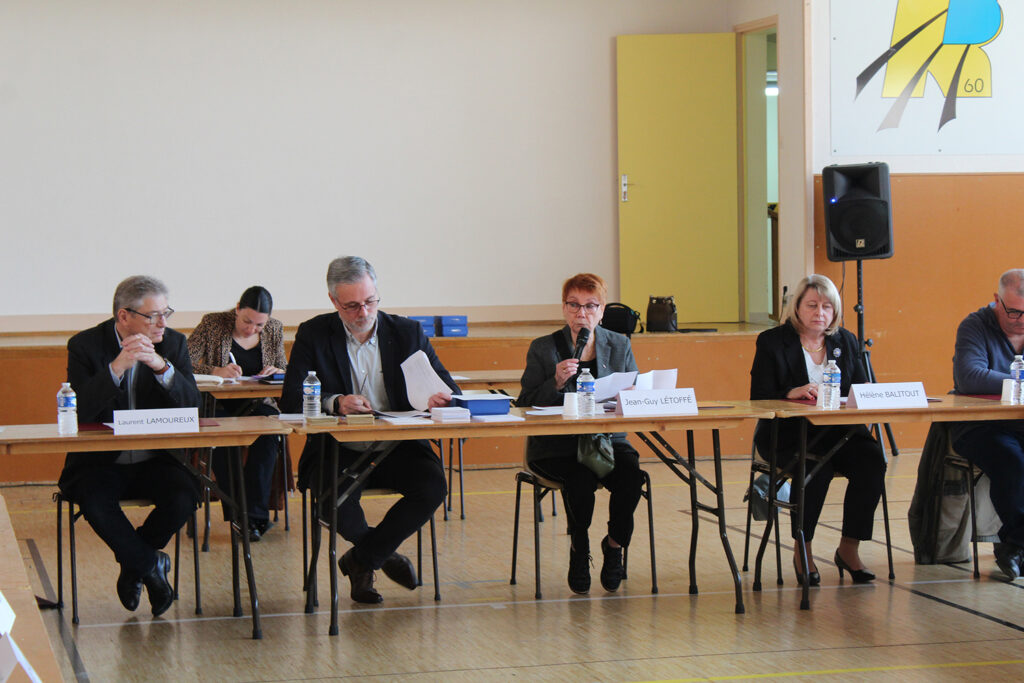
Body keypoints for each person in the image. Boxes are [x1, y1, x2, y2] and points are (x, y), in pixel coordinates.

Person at [281, 256, 457, 604]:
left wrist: (440, 399)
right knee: (331, 503)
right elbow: (289, 398)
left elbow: (450, 389)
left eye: (370, 301)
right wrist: (335, 402)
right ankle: (378, 556)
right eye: (352, 306)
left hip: (397, 446)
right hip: (338, 448)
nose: (363, 312)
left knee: (432, 486)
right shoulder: (314, 333)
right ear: (334, 301)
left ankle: (362, 559)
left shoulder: (406, 332)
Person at [58, 275, 201, 617]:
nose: (163, 322)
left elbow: (193, 405)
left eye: (166, 313)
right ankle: (150, 565)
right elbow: (80, 410)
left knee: (186, 495)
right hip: (101, 461)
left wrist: (162, 368)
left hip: (157, 459)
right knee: (94, 501)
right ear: (124, 316)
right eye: (154, 315)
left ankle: (136, 564)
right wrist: (117, 368)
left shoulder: (174, 344)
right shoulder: (85, 345)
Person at [749, 274, 886, 585]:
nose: (819, 313)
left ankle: (849, 548)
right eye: (812, 305)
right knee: (815, 470)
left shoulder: (845, 340)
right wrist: (790, 392)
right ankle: (803, 549)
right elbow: (758, 398)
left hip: (839, 433)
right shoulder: (772, 342)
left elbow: (861, 389)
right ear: (797, 307)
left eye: (827, 307)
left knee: (873, 461)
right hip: (787, 435)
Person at [518, 273, 644, 594]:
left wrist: (629, 397)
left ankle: (614, 546)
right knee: (580, 479)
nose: (581, 313)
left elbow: (636, 392)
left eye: (590, 306)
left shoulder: (619, 344)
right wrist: (555, 383)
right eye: (573, 305)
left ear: (602, 311)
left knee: (632, 477)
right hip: (557, 446)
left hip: (608, 441)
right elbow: (525, 403)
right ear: (564, 308)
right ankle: (579, 546)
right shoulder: (543, 348)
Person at [188, 285, 287, 541]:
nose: (252, 329)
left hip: (257, 402)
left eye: (259, 325)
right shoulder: (212, 323)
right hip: (217, 404)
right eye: (247, 321)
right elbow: (184, 361)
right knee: (225, 443)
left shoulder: (274, 328)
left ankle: (253, 517)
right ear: (237, 310)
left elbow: (284, 368)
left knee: (269, 438)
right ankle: (241, 517)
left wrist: (276, 371)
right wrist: (215, 370)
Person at [951, 268, 1024, 581]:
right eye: (1014, 312)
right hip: (980, 425)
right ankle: (1016, 545)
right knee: (1011, 460)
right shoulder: (974, 326)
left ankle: (1015, 546)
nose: (1021, 320)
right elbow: (970, 377)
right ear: (997, 300)